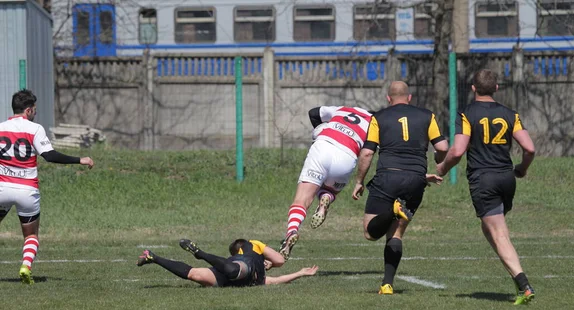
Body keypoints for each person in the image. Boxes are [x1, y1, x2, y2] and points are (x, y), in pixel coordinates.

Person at [436, 69, 536, 305]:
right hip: (506, 178)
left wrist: (441, 168)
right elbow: (530, 148)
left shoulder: (468, 113)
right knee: (489, 228)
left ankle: (524, 285)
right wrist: (522, 168)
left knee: (499, 233)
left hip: (484, 180)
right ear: (497, 88)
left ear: (473, 88)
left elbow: (458, 151)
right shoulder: (510, 114)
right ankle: (516, 277)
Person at [352, 81, 448, 295]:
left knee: (370, 232)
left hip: (387, 177)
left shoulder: (378, 118)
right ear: (409, 97)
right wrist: (436, 161)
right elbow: (442, 147)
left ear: (388, 98)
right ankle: (387, 284)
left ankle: (392, 210)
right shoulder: (427, 116)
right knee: (396, 233)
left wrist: (359, 181)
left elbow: (367, 153)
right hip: (415, 181)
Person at [0, 90, 94, 285]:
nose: (35, 112)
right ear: (27, 110)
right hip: (26, 190)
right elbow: (49, 155)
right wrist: (80, 159)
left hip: (2, 188)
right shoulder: (34, 129)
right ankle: (26, 265)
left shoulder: (1, 128)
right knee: (31, 235)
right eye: (34, 109)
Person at [279, 105, 373, 260]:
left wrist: (320, 129)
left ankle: (292, 231)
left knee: (302, 200)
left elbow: (313, 112)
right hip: (348, 155)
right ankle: (327, 198)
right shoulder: (374, 121)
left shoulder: (343, 109)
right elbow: (369, 151)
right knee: (331, 189)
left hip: (324, 144)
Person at [137, 238, 319, 287]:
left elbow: (275, 281)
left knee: (194, 274)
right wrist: (271, 262)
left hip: (227, 273)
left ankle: (153, 257)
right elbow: (280, 260)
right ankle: (200, 253)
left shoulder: (259, 276)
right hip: (237, 269)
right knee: (235, 270)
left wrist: (300, 273)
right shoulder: (252, 245)